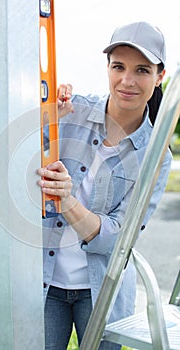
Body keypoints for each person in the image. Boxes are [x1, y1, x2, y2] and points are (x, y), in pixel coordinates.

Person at [37, 21, 172, 350]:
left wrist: (67, 201)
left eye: (141, 70)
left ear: (159, 76)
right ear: (107, 68)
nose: (127, 81)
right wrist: (41, 116)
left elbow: (117, 238)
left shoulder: (156, 156)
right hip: (43, 283)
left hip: (102, 295)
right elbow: (18, 161)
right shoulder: (70, 112)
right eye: (118, 67)